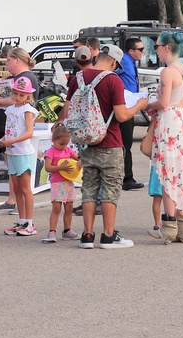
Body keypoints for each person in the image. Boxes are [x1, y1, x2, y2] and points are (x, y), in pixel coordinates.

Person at [61, 44, 149, 249]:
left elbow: (67, 111)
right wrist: (139, 105)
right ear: (114, 62)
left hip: (86, 143)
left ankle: (87, 235)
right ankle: (108, 235)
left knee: (89, 188)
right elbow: (121, 115)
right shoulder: (112, 80)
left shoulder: (77, 79)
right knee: (110, 188)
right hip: (109, 141)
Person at [147, 31, 183, 244]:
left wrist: (148, 103)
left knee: (167, 173)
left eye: (156, 46)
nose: (155, 50)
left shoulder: (167, 72)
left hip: (169, 120)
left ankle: (169, 226)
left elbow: (164, 103)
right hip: (182, 118)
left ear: (167, 47)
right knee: (180, 171)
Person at [0, 47, 40, 214]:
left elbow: (12, 101)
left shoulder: (26, 80)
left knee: (22, 182)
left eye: (9, 59)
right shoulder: (16, 80)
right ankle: (17, 207)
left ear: (17, 60)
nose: (7, 63)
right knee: (15, 175)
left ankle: (25, 215)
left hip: (19, 143)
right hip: (10, 138)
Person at [0, 76, 39, 237]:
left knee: (25, 188)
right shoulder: (10, 109)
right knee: (16, 189)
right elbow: (10, 130)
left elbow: (29, 132)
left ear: (28, 96)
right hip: (12, 152)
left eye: (21, 94)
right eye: (15, 93)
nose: (17, 97)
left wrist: (12, 141)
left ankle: (29, 222)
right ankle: (22, 221)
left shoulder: (28, 110)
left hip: (22, 152)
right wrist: (3, 140)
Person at [41, 124, 80, 243]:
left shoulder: (68, 150)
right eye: (61, 143)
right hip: (57, 183)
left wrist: (80, 162)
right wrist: (60, 167)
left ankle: (67, 230)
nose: (64, 146)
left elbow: (78, 157)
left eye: (66, 143)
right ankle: (52, 231)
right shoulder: (50, 152)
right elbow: (48, 167)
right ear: (53, 140)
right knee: (56, 207)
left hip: (68, 183)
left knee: (69, 207)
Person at [118, 37, 146, 191]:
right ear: (131, 51)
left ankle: (126, 176)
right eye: (140, 49)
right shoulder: (123, 59)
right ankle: (126, 178)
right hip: (125, 105)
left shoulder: (130, 61)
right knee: (125, 144)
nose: (143, 52)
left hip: (130, 103)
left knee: (126, 143)